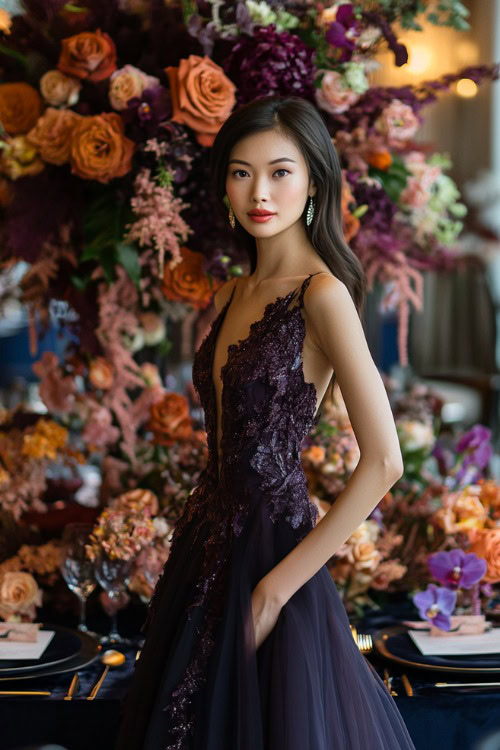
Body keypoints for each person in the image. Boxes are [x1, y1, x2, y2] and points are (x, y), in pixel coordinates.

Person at [114, 95, 416, 750]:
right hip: (203, 551)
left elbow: (385, 461)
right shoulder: (229, 293)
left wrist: (274, 592)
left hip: (276, 559)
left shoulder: (324, 295)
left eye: (281, 171)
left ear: (313, 179)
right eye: (241, 171)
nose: (260, 191)